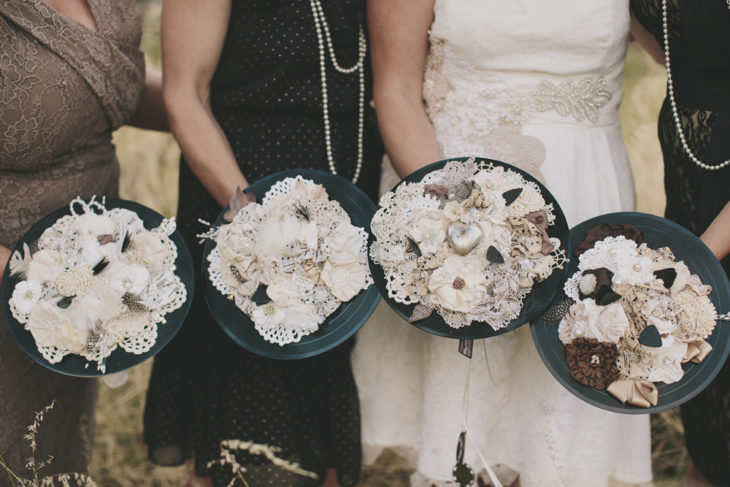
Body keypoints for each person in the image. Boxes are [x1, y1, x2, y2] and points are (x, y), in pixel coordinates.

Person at [352, 1, 654, 485]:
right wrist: (452, 218)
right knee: (469, 393)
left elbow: (679, 53)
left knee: (558, 400)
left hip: (585, 191)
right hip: (457, 192)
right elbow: (396, 90)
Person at [142, 1, 383, 486]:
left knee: (323, 409)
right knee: (243, 412)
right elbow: (185, 94)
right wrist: (254, 222)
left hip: (344, 205)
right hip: (237, 193)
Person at [0, 0, 164, 477]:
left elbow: (97, 85)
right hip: (22, 271)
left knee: (48, 451)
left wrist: (205, 107)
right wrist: (27, 278)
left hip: (84, 269)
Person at [631, 1, 730, 484]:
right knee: (711, 416)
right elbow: (666, 42)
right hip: (693, 183)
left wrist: (700, 255)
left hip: (711, 229)